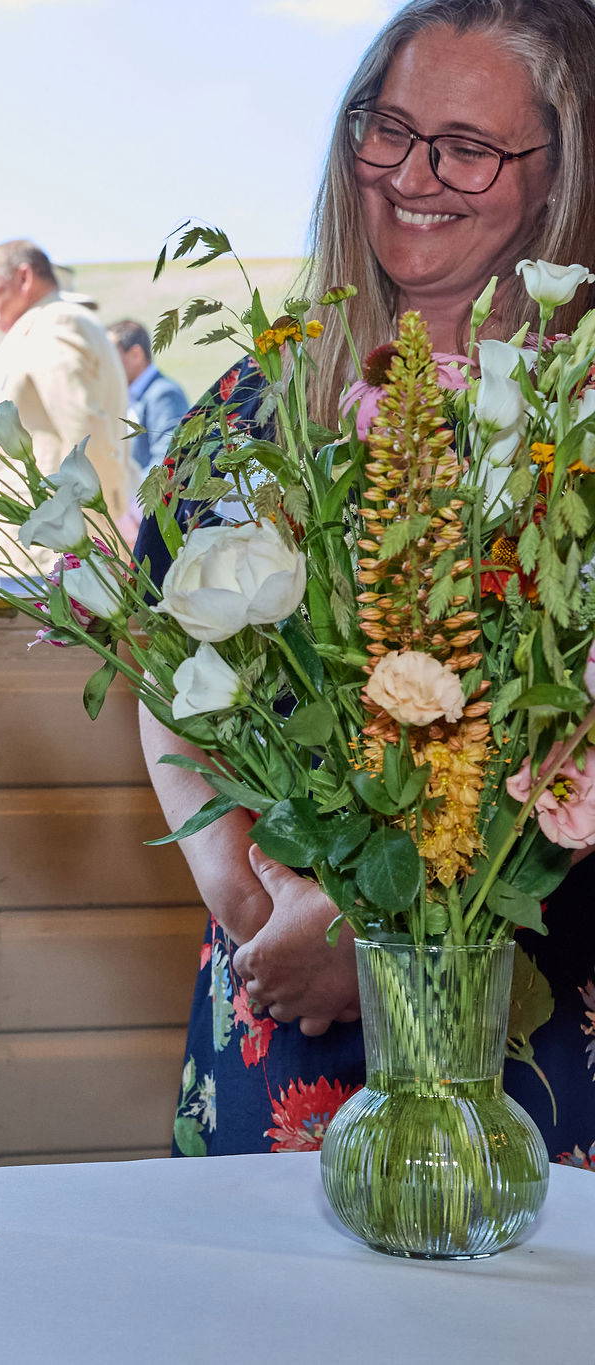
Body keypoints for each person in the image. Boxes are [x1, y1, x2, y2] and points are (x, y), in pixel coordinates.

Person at [141, 0, 595, 1165]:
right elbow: (162, 677)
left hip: (529, 1019)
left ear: (558, 176)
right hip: (282, 1015)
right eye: (382, 128)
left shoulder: (573, 424)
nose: (409, 174)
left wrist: (386, 936)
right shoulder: (256, 399)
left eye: (467, 146)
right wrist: (266, 917)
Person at [0, 239, 134, 575]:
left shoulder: (55, 324)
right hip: (42, 543)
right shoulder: (37, 327)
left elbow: (83, 430)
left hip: (52, 547)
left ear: (23, 277)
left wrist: (98, 532)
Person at [105, 319, 189, 478]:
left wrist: (131, 498)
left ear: (136, 355)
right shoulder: (129, 396)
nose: (105, 366)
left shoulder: (163, 394)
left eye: (110, 357)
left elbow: (168, 459)